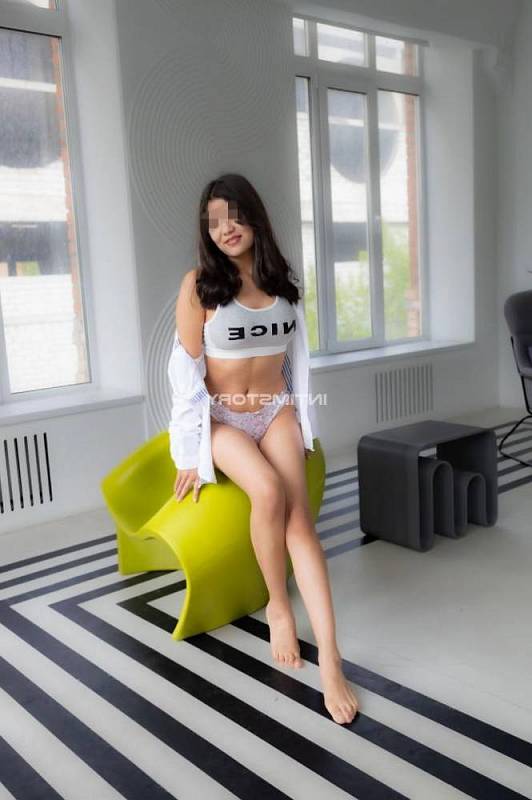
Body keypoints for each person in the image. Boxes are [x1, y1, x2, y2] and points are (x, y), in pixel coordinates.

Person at [170, 173, 358, 725]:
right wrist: (188, 452)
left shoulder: (283, 285)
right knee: (269, 492)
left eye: (234, 215)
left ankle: (332, 661)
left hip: (275, 410)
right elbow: (184, 373)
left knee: (301, 525)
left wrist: (301, 423)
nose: (225, 229)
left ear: (254, 216)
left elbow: (297, 362)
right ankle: (278, 604)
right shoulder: (199, 286)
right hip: (222, 419)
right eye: (214, 222)